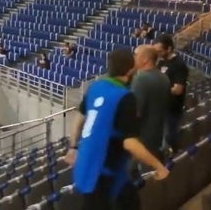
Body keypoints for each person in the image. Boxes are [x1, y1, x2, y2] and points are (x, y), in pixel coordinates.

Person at [64, 49, 169, 210]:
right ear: (130, 70)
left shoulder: (96, 86)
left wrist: (73, 147)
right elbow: (130, 143)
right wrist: (159, 166)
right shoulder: (125, 97)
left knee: (130, 201)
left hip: (94, 166)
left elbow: (79, 116)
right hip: (101, 172)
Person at [131, 45, 170, 162]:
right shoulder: (164, 77)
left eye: (136, 55)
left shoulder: (140, 80)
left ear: (145, 59)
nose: (133, 58)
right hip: (158, 135)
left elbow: (135, 113)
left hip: (142, 139)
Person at [154, 34, 189, 153]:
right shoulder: (161, 62)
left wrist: (160, 88)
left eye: (160, 51)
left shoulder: (179, 64)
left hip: (172, 110)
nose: (157, 53)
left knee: (169, 139)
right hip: (161, 108)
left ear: (168, 49)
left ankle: (174, 163)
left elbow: (178, 89)